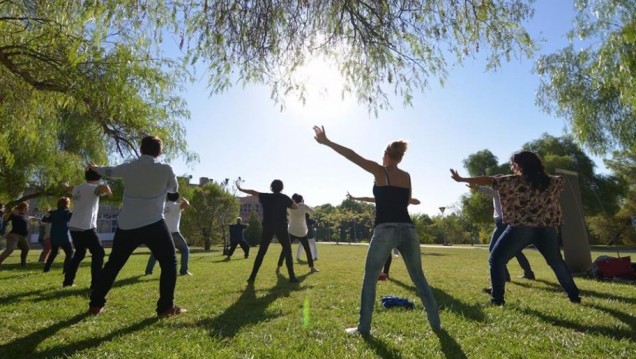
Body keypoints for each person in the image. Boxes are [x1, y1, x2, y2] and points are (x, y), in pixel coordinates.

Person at [313, 125, 440, 335]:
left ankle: (363, 328)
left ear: (386, 155)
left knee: (370, 278)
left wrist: (327, 142)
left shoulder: (380, 171)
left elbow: (353, 156)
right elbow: (406, 201)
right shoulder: (406, 176)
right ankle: (436, 324)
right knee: (419, 278)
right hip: (408, 229)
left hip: (385, 230)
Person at [450, 150, 581, 305]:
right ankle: (574, 295)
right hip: (547, 228)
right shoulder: (554, 181)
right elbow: (560, 184)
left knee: (496, 259)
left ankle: (497, 299)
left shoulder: (513, 181)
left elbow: (488, 180)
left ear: (519, 165)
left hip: (521, 228)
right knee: (556, 262)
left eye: (512, 164)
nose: (512, 167)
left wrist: (461, 179)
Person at [88, 135, 186, 317]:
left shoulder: (129, 168)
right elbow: (173, 190)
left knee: (113, 264)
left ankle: (95, 305)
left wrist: (95, 168)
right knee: (169, 262)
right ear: (160, 152)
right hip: (154, 224)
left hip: (127, 225)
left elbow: (109, 171)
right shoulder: (165, 169)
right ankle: (166, 308)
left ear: (141, 149)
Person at [347, 192, 420, 281]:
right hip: (389, 228)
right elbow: (368, 198)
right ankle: (384, 273)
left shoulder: (394, 198)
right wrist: (354, 197)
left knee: (391, 253)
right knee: (386, 252)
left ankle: (385, 273)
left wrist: (404, 199)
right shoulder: (382, 198)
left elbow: (417, 201)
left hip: (396, 228)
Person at [470, 183, 535, 283]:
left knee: (493, 248)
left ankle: (505, 276)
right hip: (508, 221)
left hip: (502, 223)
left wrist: (476, 187)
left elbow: (488, 191)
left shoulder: (499, 191)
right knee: (516, 250)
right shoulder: (510, 190)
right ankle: (528, 273)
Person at [236, 180, 299, 283]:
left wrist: (241, 189)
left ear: (271, 188)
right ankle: (292, 277)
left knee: (261, 252)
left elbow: (252, 192)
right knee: (288, 251)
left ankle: (252, 277)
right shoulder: (284, 198)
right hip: (281, 227)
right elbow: (295, 207)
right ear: (282, 188)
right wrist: (290, 202)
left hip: (268, 227)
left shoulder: (266, 196)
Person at [64, 169, 112, 288]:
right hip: (86, 227)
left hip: (74, 226)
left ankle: (68, 281)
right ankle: (96, 283)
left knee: (79, 253)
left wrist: (66, 186)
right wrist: (109, 192)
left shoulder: (78, 188)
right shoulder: (93, 189)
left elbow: (70, 188)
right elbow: (104, 187)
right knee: (99, 253)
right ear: (98, 178)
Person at [145, 192, 192, 276]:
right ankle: (183, 270)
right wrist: (183, 198)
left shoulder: (162, 206)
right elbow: (187, 204)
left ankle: (148, 271)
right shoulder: (176, 206)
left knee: (155, 253)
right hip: (174, 233)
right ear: (176, 198)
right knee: (185, 250)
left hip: (162, 233)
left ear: (167, 197)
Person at [276, 193, 318, 273]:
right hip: (302, 232)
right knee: (308, 251)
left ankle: (278, 267)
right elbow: (313, 212)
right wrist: (306, 209)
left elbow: (283, 212)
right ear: (300, 200)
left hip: (291, 231)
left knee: (285, 249)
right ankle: (312, 268)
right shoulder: (303, 206)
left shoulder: (289, 207)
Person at [43, 197, 74, 273]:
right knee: (70, 252)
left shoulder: (52, 213)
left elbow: (44, 220)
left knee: (53, 252)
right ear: (67, 204)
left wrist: (48, 213)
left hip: (54, 237)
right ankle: (66, 270)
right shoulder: (68, 213)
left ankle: (46, 269)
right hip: (64, 237)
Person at [0, 202, 31, 267]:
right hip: (14, 235)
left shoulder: (24, 215)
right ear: (24, 208)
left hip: (22, 237)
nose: (28, 209)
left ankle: (23, 264)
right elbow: (5, 218)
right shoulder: (15, 213)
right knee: (10, 250)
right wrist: (11, 212)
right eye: (27, 207)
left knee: (26, 249)